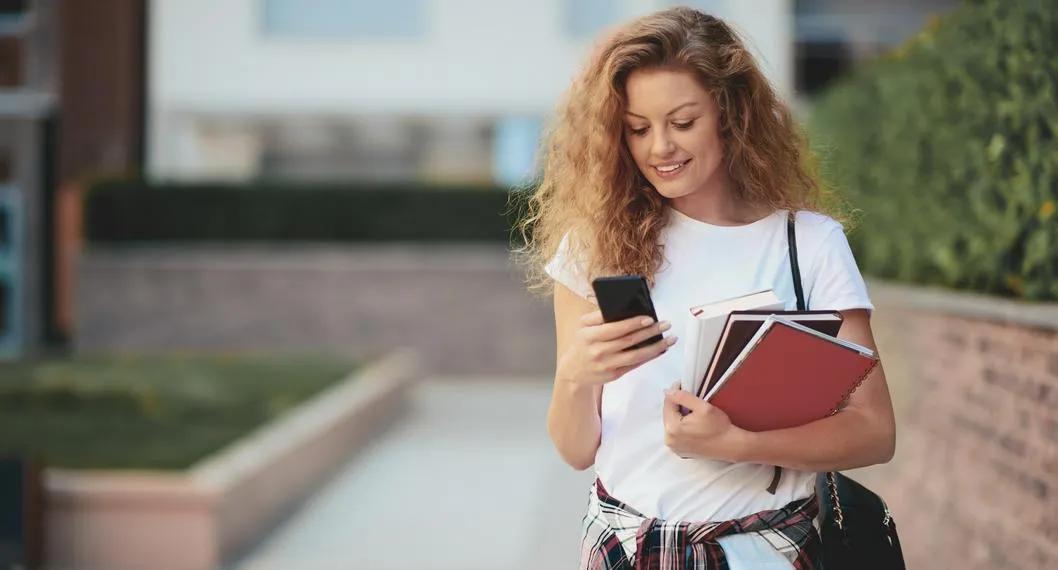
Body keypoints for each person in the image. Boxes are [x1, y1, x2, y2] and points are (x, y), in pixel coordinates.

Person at [514, 6, 897, 569]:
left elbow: (874, 431)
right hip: (625, 547)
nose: (660, 147)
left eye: (683, 121)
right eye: (638, 129)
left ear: (728, 112)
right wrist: (576, 375)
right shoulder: (596, 247)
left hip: (766, 549)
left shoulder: (807, 244)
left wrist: (738, 445)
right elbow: (575, 451)